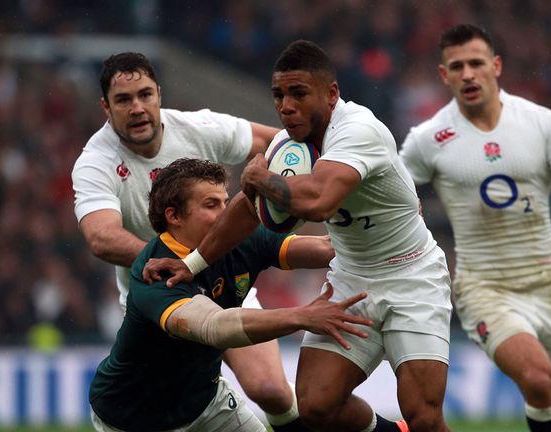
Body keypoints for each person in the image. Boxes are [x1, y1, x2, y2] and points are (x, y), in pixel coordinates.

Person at [145, 40, 451, 432]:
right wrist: (192, 263)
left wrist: (260, 178)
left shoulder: (358, 130)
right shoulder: (286, 146)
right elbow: (245, 209)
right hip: (352, 279)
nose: (286, 105)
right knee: (315, 407)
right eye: (279, 95)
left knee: (424, 415)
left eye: (299, 93)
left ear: (332, 93)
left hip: (411, 276)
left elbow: (319, 201)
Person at [398, 24, 551, 432]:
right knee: (539, 382)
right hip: (484, 287)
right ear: (443, 75)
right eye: (457, 66)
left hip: (547, 278)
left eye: (475, 63)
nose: (467, 74)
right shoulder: (428, 139)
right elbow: (392, 191)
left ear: (496, 66)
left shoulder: (539, 121)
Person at [72, 52, 310, 431]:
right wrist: (180, 263)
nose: (137, 107)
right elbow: (101, 236)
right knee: (170, 408)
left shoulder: (198, 127)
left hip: (225, 281)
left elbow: (279, 143)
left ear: (159, 95)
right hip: (160, 299)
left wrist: (305, 178)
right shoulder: (95, 162)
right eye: (123, 99)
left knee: (272, 390)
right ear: (105, 106)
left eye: (145, 95)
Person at [89, 157, 373, 432]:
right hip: (132, 418)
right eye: (211, 205)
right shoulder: (156, 272)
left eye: (226, 201)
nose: (225, 212)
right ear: (174, 216)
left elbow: (324, 249)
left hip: (207, 406)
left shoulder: (241, 237)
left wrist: (387, 227)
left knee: (272, 390)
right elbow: (216, 328)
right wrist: (303, 316)